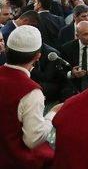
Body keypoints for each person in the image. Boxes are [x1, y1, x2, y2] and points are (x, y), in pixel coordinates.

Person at [0, 25, 60, 168]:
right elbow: (33, 140)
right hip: (16, 161)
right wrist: (52, 114)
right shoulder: (31, 92)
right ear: (38, 56)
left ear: (7, 50)